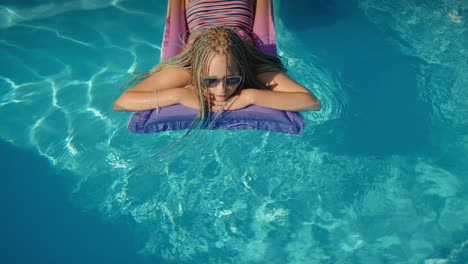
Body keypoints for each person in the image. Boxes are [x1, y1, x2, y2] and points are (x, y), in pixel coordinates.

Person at [113, 0, 321, 123]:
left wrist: (250, 96)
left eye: (232, 79)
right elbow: (122, 102)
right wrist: (178, 94)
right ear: (197, 71)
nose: (222, 90)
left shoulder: (252, 66)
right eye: (210, 80)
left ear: (242, 68)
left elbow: (311, 102)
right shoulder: (185, 70)